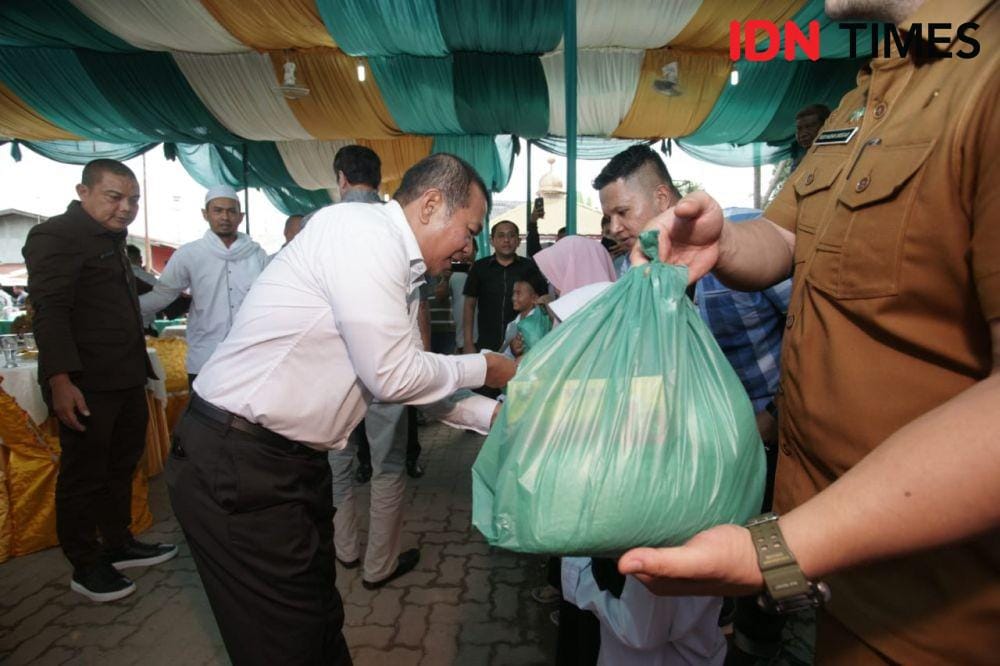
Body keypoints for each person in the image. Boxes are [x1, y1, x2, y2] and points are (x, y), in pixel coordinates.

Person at [617, 2, 1000, 663]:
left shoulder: (985, 76)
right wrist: (722, 242)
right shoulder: (870, 87)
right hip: (848, 579)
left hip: (941, 616)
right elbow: (789, 235)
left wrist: (776, 551)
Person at [166, 153, 516, 665]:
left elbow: (408, 380)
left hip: (286, 464)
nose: (471, 248)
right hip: (239, 459)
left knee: (318, 622)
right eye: (470, 230)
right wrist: (487, 366)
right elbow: (392, 375)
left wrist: (492, 416)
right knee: (287, 642)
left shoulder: (397, 266)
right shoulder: (361, 232)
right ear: (431, 204)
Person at [22, 159, 177, 603]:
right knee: (84, 475)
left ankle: (117, 543)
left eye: (133, 200)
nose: (126, 207)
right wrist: (60, 379)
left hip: (125, 376)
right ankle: (85, 564)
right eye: (114, 197)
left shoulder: (111, 238)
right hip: (85, 382)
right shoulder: (57, 235)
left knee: (120, 466)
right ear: (83, 191)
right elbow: (50, 311)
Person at [139, 185, 267, 387]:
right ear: (205, 214)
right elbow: (163, 294)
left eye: (231, 211)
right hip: (205, 354)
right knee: (204, 407)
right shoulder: (189, 254)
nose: (225, 217)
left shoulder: (256, 255)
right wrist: (124, 309)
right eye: (218, 210)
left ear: (240, 217)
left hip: (249, 355)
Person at [462, 220, 544, 353]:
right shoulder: (479, 267)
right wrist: (468, 342)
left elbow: (542, 301)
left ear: (518, 241)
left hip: (522, 342)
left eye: (511, 235)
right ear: (492, 241)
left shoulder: (530, 267)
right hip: (487, 342)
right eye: (501, 236)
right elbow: (469, 305)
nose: (506, 240)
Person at [499, 275, 546, 358]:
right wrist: (513, 351)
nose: (513, 298)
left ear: (534, 298)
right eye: (513, 293)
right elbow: (505, 355)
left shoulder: (542, 323)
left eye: (518, 293)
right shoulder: (512, 325)